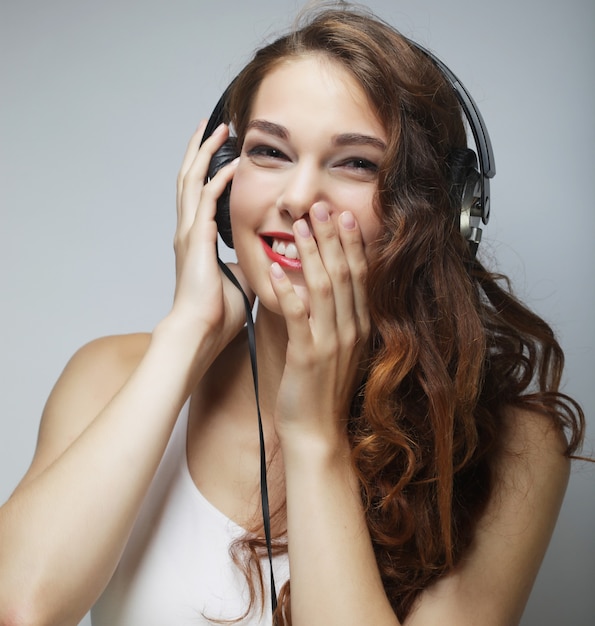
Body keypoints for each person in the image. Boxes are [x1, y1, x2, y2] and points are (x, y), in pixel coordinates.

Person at [0, 4, 586, 626]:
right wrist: (188, 334)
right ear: (218, 183)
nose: (299, 197)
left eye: (356, 162)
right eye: (270, 152)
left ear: (441, 213)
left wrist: (315, 437)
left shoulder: (515, 446)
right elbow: (19, 607)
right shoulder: (110, 375)